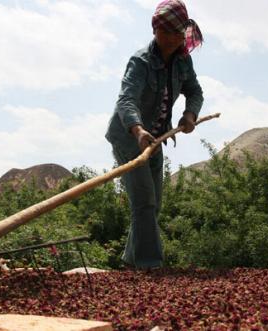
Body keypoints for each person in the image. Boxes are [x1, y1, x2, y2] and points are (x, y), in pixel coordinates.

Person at [105, 0, 204, 269]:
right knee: (144, 202)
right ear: (155, 30)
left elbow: (195, 92)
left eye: (176, 33)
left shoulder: (183, 61)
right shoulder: (140, 62)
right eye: (165, 33)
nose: (171, 39)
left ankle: (130, 261)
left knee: (153, 205)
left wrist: (190, 115)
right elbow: (127, 100)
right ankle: (150, 265)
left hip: (157, 137)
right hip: (129, 137)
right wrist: (138, 130)